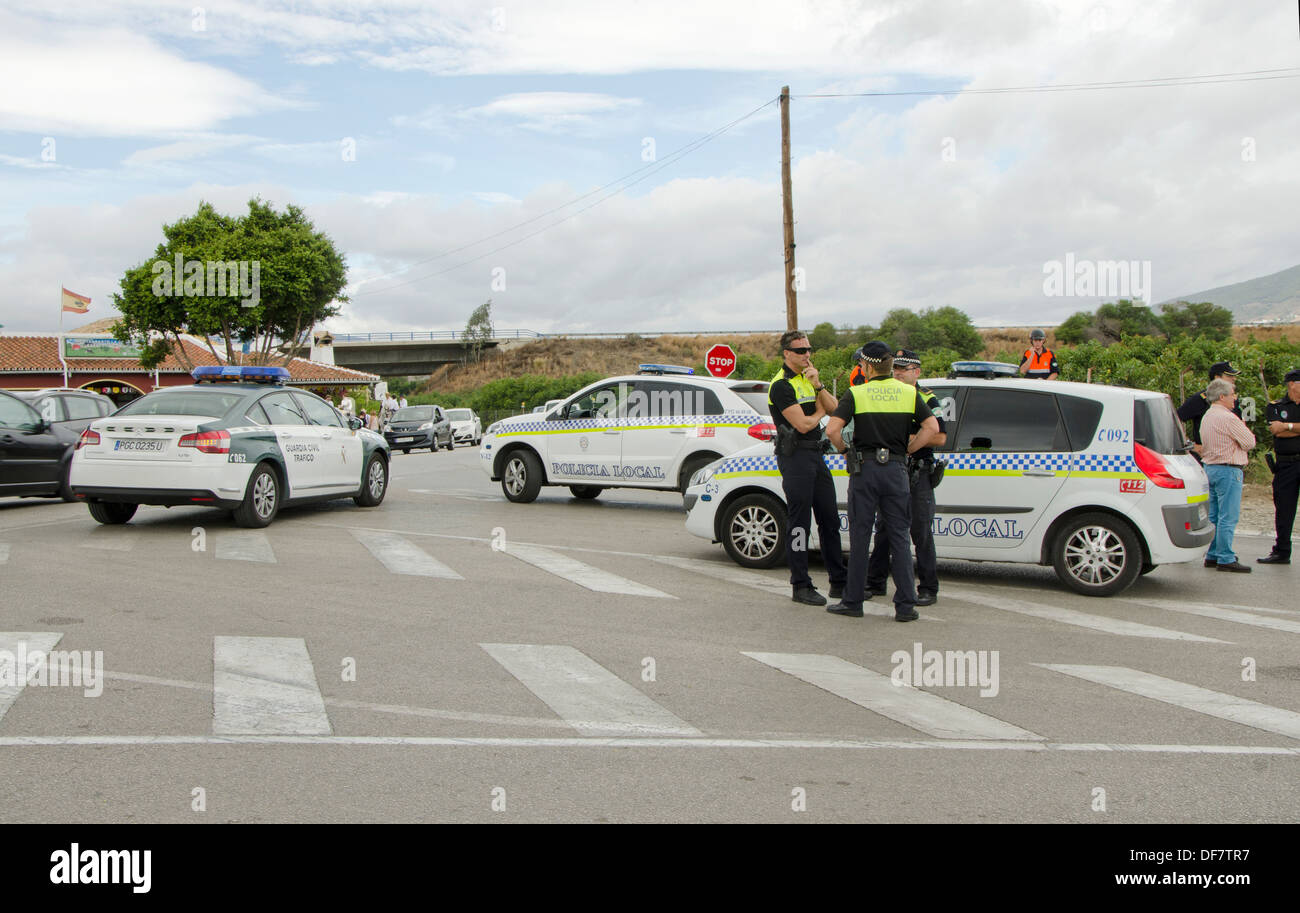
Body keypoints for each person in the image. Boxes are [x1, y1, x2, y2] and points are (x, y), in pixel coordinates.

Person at [825, 341, 940, 621]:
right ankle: (905, 606)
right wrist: (909, 449)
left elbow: (832, 429)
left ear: (866, 366)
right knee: (900, 536)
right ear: (890, 366)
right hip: (897, 471)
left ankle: (853, 602)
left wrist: (844, 451)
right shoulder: (909, 393)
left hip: (865, 470)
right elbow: (932, 427)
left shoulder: (856, 393)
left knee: (861, 535)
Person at [768, 330, 847, 605]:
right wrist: (819, 413)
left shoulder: (808, 378)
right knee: (800, 524)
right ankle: (800, 584)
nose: (806, 355)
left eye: (809, 349)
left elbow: (837, 410)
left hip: (816, 455)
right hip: (795, 457)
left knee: (829, 520)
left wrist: (818, 386)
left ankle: (839, 581)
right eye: (800, 350)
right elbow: (802, 425)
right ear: (787, 353)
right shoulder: (781, 385)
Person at [864, 349, 947, 606]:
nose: (898, 373)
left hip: (917, 471)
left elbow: (940, 436)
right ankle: (875, 582)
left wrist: (906, 442)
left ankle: (928, 587)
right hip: (892, 470)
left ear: (917, 372)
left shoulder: (928, 399)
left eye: (904, 369)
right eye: (896, 368)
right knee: (885, 529)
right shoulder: (890, 395)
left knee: (920, 530)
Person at [1200, 377, 1256, 572]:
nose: (1235, 398)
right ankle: (1226, 557)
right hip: (1229, 468)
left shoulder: (1207, 416)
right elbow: (1249, 442)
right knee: (1228, 516)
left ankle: (1213, 554)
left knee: (1214, 515)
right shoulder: (1229, 418)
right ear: (1222, 396)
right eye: (1233, 394)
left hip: (1211, 467)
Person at [1259, 368, 1300, 565]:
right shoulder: (1276, 406)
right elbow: (1277, 432)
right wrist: (1287, 428)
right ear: (1292, 384)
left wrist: (1288, 426)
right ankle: (1282, 551)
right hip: (1286, 464)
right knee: (1284, 508)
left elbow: (1282, 428)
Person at [1178, 361, 1241, 458]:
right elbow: (1174, 420)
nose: (1234, 379)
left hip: (1230, 457)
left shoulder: (1233, 400)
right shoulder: (1200, 399)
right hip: (1207, 457)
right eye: (1229, 376)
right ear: (1217, 378)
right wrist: (1191, 444)